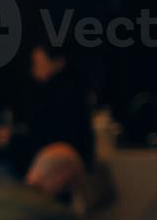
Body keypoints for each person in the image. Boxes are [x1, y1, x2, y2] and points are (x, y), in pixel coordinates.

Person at [11, 43, 95, 177]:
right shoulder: (76, 89)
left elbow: (41, 131)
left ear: (57, 63)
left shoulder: (55, 95)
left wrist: (15, 138)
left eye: (37, 63)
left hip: (56, 168)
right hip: (72, 165)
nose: (33, 70)